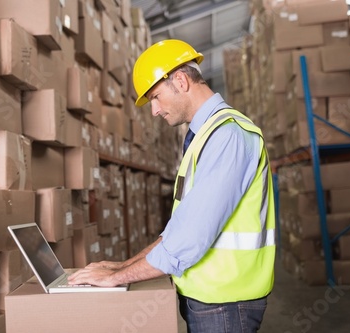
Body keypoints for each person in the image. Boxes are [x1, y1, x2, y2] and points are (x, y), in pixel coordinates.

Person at [68, 39, 276, 333]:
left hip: (226, 304)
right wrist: (122, 265)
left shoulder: (227, 136)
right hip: (211, 298)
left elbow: (189, 239)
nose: (153, 110)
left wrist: (117, 278)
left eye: (155, 97)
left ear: (180, 80)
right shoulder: (206, 136)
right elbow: (178, 230)